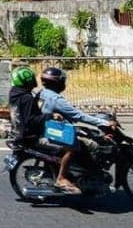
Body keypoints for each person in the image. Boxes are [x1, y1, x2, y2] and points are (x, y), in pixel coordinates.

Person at [38, 66, 116, 194]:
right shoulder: (56, 100)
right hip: (52, 133)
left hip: (48, 129)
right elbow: (79, 116)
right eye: (62, 80)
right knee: (93, 145)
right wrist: (105, 123)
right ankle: (87, 178)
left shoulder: (42, 93)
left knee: (84, 134)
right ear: (57, 83)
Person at [7, 66, 44, 152]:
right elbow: (30, 119)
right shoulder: (27, 98)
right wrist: (50, 116)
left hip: (17, 131)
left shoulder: (14, 93)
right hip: (29, 134)